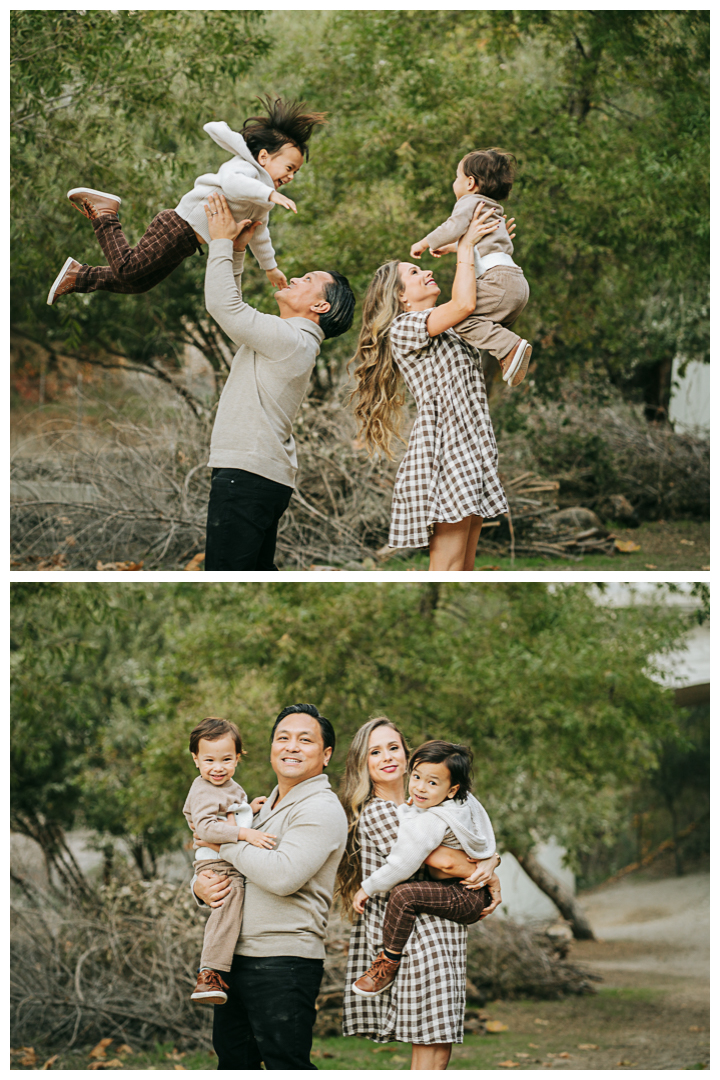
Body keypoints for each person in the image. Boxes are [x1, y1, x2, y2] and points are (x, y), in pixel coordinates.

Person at [350, 205, 510, 571]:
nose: (426, 272)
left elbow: (482, 300)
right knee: (449, 569)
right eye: (414, 272)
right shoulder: (405, 329)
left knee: (464, 569)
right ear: (401, 297)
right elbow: (465, 301)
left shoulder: (453, 327)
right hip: (446, 452)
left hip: (473, 445)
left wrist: (491, 249)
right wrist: (466, 246)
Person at [46, 96, 326, 304]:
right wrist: (271, 193)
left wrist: (271, 267)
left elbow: (259, 234)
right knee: (129, 271)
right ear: (264, 156)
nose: (290, 176)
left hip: (188, 242)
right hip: (177, 226)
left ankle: (78, 275)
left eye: (296, 172)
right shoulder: (244, 168)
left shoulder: (262, 201)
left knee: (137, 284)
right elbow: (232, 184)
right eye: (289, 168)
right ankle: (105, 213)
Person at [337, 718, 502, 1071]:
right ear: (362, 763)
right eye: (375, 752)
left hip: (441, 927)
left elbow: (467, 848)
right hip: (415, 936)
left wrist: (492, 862)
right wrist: (490, 873)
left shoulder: (426, 807)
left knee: (439, 1043)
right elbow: (444, 861)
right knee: (430, 1042)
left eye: (393, 748)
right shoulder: (380, 811)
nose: (386, 757)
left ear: (408, 755)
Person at [201, 193, 355, 570]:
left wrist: (220, 241)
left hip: (247, 476)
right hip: (258, 477)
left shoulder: (290, 339)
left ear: (320, 307)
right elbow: (233, 305)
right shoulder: (293, 340)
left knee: (225, 577)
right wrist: (236, 251)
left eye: (310, 281)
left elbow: (224, 307)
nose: (298, 276)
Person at [191, 704, 348, 1070]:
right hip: (236, 957)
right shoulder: (259, 809)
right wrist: (199, 887)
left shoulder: (320, 808)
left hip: (283, 959)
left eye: (305, 740)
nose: (291, 746)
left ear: (325, 755)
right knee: (234, 1063)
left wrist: (223, 842)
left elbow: (282, 876)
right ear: (271, 748)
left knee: (286, 1064)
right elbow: (223, 864)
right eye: (283, 738)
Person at [350, 740, 497, 998]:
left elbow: (403, 863)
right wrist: (491, 858)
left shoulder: (431, 820)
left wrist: (367, 887)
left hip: (464, 893)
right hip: (470, 889)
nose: (419, 787)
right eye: (416, 776)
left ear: (452, 790)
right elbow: (484, 829)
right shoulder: (466, 802)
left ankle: (388, 962)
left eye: (432, 782)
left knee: (404, 895)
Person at [410, 148, 531, 386]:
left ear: (470, 182)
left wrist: (425, 242)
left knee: (461, 320)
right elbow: (480, 245)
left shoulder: (469, 201)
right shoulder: (492, 208)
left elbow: (453, 226)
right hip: (516, 284)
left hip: (497, 281)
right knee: (483, 325)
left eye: (457, 177)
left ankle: (510, 347)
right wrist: (450, 248)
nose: (454, 182)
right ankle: (508, 354)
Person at [182, 717, 275, 1006]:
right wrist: (246, 832)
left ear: (237, 758)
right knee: (228, 901)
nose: (218, 767)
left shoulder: (230, 787)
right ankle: (209, 971)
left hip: (227, 859)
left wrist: (250, 809)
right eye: (209, 760)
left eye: (226, 759)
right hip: (216, 865)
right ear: (196, 760)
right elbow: (207, 829)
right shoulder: (203, 790)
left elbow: (230, 815)